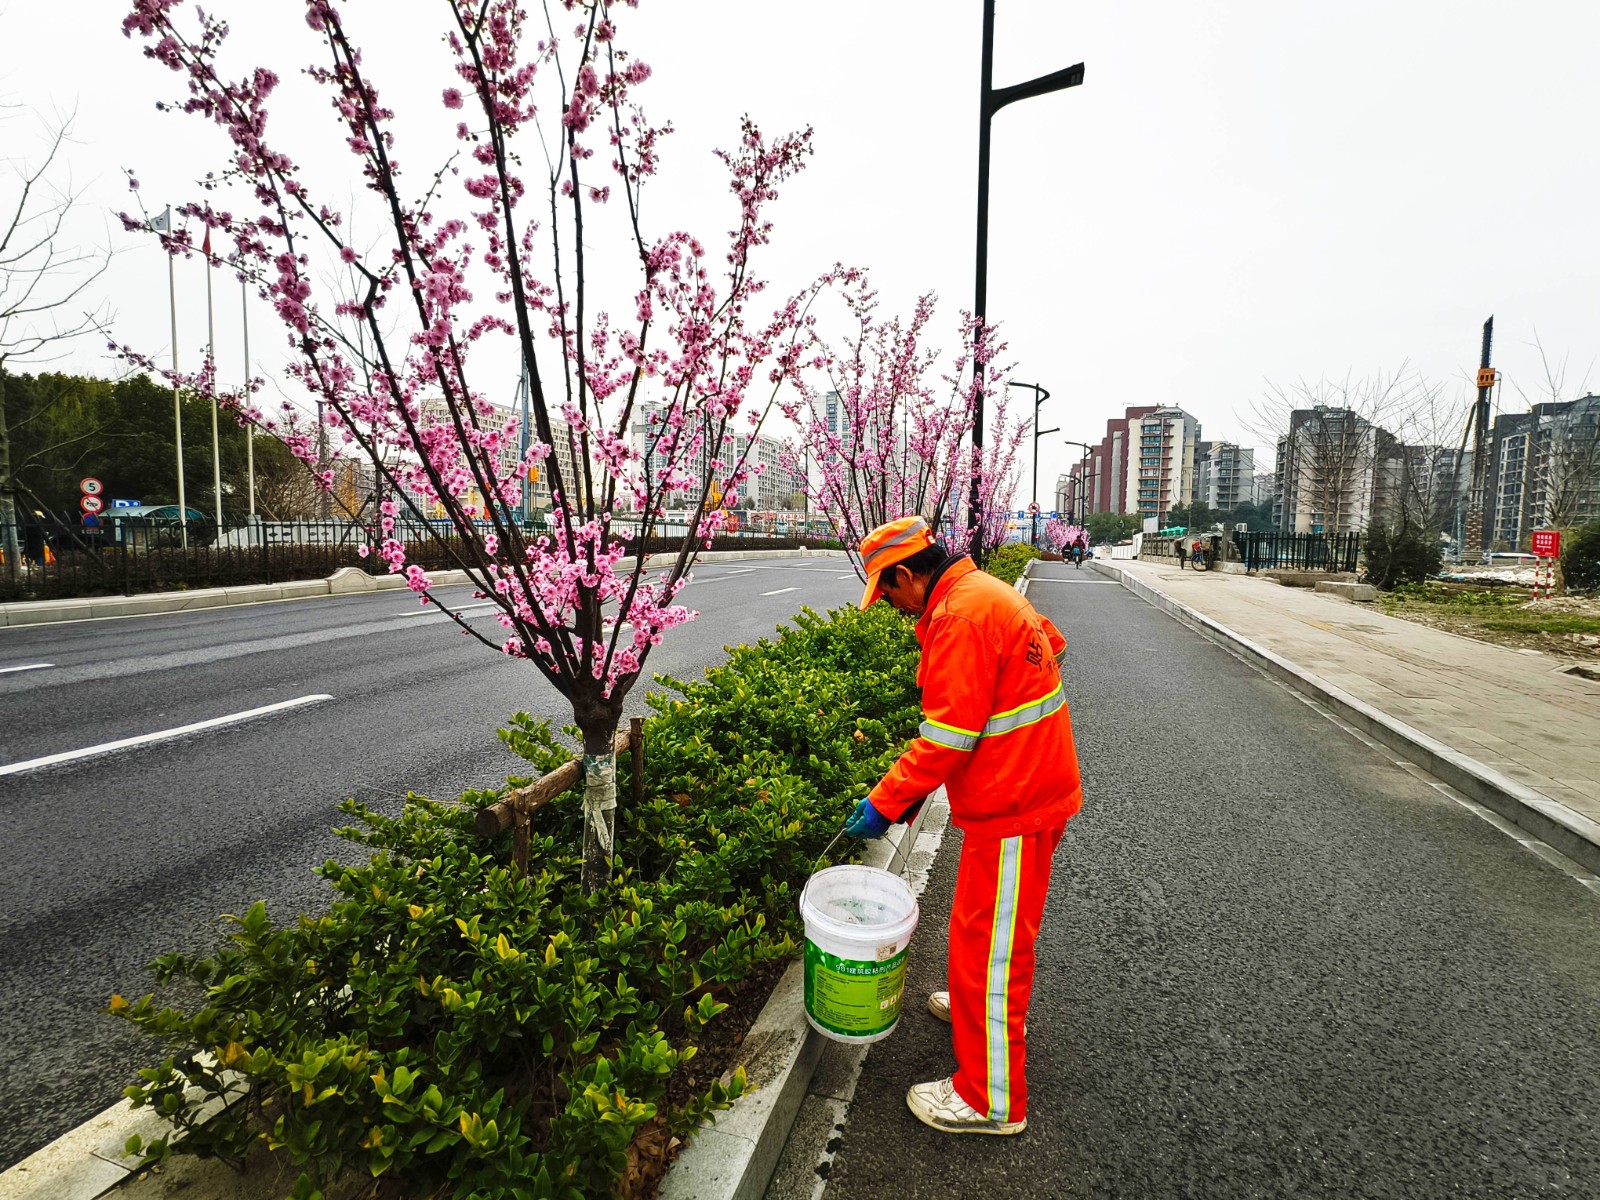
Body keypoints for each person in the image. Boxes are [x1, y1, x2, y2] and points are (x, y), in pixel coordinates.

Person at [843, 515, 1083, 1136]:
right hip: (1022, 789)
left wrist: (886, 801)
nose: (891, 607)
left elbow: (948, 738)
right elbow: (1050, 646)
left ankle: (990, 1099)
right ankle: (983, 1011)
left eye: (888, 592)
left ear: (905, 574)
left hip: (1014, 802)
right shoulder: (982, 593)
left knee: (992, 949)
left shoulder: (958, 616)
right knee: (988, 931)